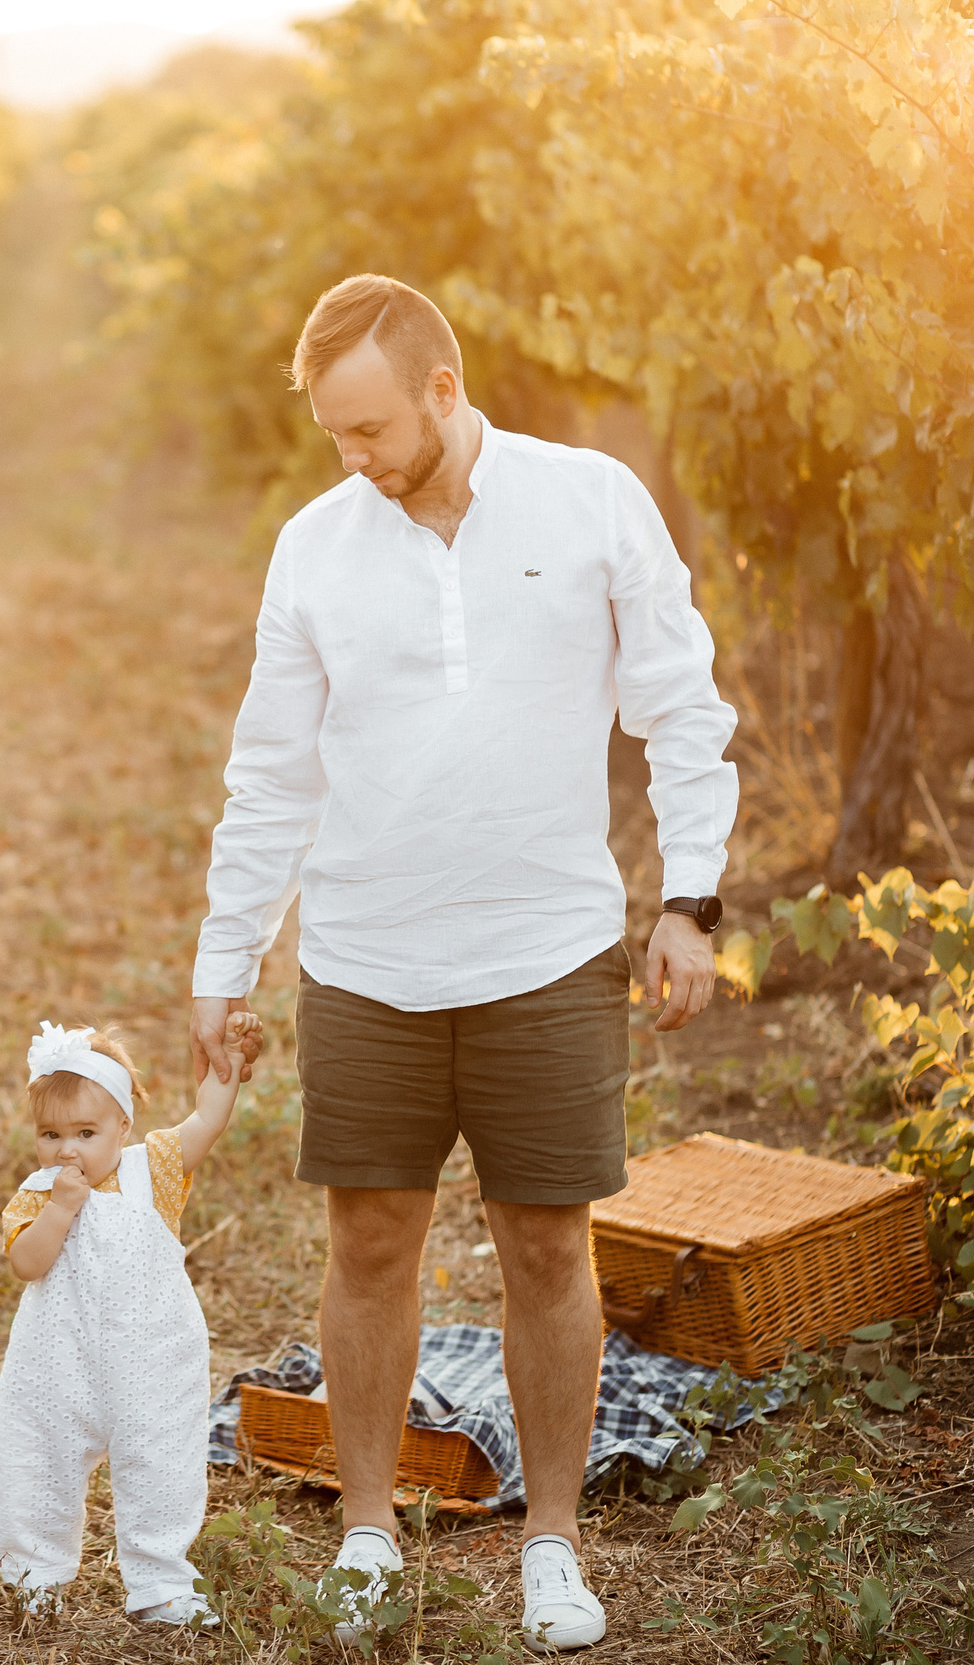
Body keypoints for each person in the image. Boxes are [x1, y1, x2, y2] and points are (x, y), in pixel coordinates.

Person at [188, 275, 738, 1652]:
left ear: (443, 389)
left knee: (547, 1245)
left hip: (547, 948)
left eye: (369, 428)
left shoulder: (592, 500)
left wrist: (693, 900)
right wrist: (226, 954)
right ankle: (369, 1524)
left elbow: (681, 702)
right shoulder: (316, 546)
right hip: (367, 952)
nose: (352, 458)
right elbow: (270, 772)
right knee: (371, 1240)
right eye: (332, 434)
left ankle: (552, 1538)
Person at [0, 1014, 263, 1628]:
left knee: (162, 1466)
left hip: (151, 1358)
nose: (68, 1149)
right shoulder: (37, 1192)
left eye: (86, 1131)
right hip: (59, 1361)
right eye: (51, 1134)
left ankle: (159, 1584)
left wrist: (231, 1062)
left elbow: (207, 1120)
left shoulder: (153, 1169)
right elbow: (27, 1264)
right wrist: (60, 1208)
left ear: (123, 1127)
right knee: (32, 1461)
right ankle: (35, 1575)